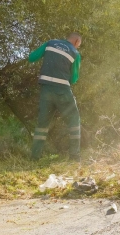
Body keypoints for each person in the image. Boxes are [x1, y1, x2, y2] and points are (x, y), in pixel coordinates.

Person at [28, 32, 82, 161]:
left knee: (42, 124)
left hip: (46, 90)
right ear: (76, 42)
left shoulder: (50, 43)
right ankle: (74, 157)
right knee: (74, 121)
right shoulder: (75, 52)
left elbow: (31, 57)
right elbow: (74, 78)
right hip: (63, 90)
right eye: (79, 45)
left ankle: (34, 157)